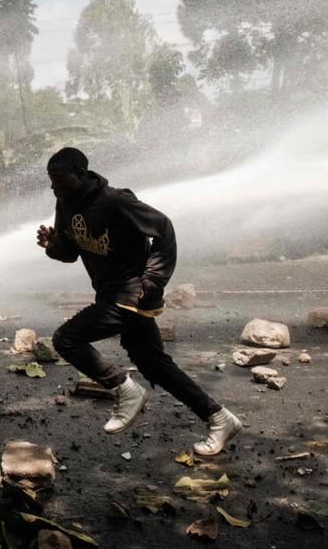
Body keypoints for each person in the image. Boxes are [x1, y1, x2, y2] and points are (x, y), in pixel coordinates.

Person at [38, 147, 242, 456]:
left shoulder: (116, 201)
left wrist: (154, 280)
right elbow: (70, 251)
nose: (54, 186)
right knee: (154, 365)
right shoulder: (65, 203)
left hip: (130, 294)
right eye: (51, 180)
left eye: (59, 179)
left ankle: (124, 389)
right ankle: (219, 417)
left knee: (66, 339)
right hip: (111, 293)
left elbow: (163, 227)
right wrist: (53, 245)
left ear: (81, 174)